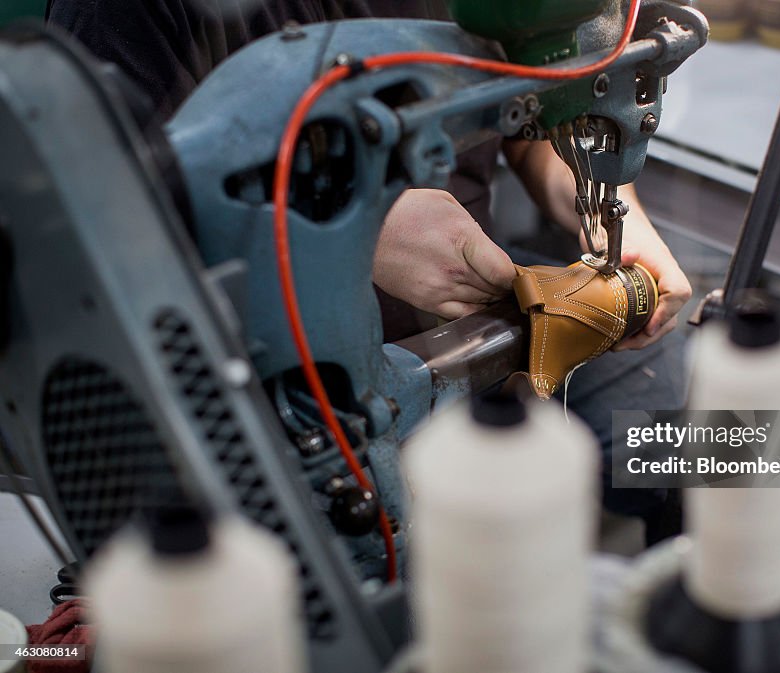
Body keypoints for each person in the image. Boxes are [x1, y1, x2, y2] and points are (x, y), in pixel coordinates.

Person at [49, 0, 691, 542]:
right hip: (283, 390)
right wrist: (354, 220)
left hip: (495, 329)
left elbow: (534, 112)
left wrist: (611, 206)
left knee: (743, 451)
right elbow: (92, 221)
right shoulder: (131, 12)